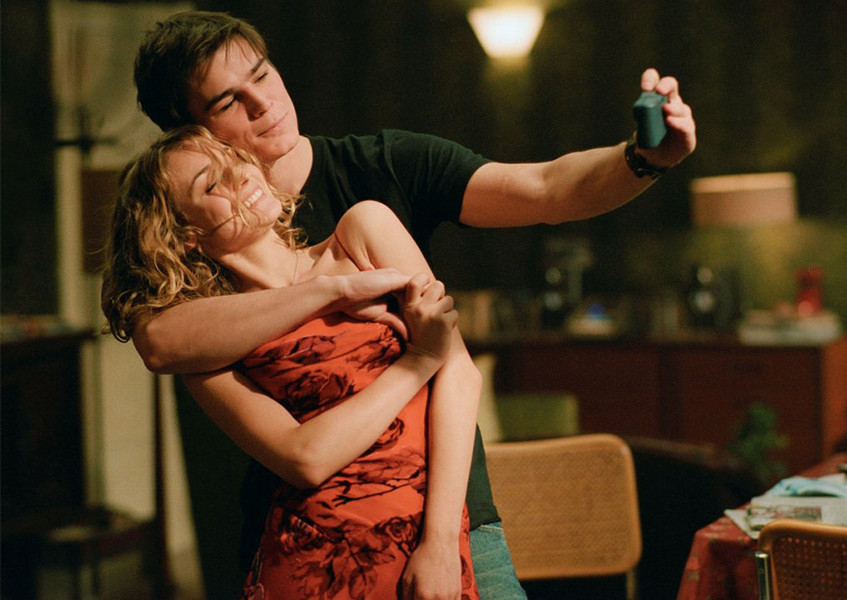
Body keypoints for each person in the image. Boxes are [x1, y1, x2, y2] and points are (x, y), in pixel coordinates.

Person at [129, 10, 697, 600]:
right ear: (187, 133)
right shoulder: (194, 268)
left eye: (262, 74)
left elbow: (546, 188)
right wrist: (333, 292)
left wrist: (642, 159)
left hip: (446, 514)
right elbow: (160, 342)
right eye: (228, 101)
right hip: (306, 535)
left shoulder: (379, 176)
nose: (262, 102)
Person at [102, 125, 483, 599]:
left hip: (428, 544)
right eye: (211, 183)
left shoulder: (361, 232)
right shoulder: (207, 341)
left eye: (233, 159)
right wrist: (416, 356)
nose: (240, 176)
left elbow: (460, 377)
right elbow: (306, 458)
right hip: (315, 565)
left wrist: (441, 542)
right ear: (185, 236)